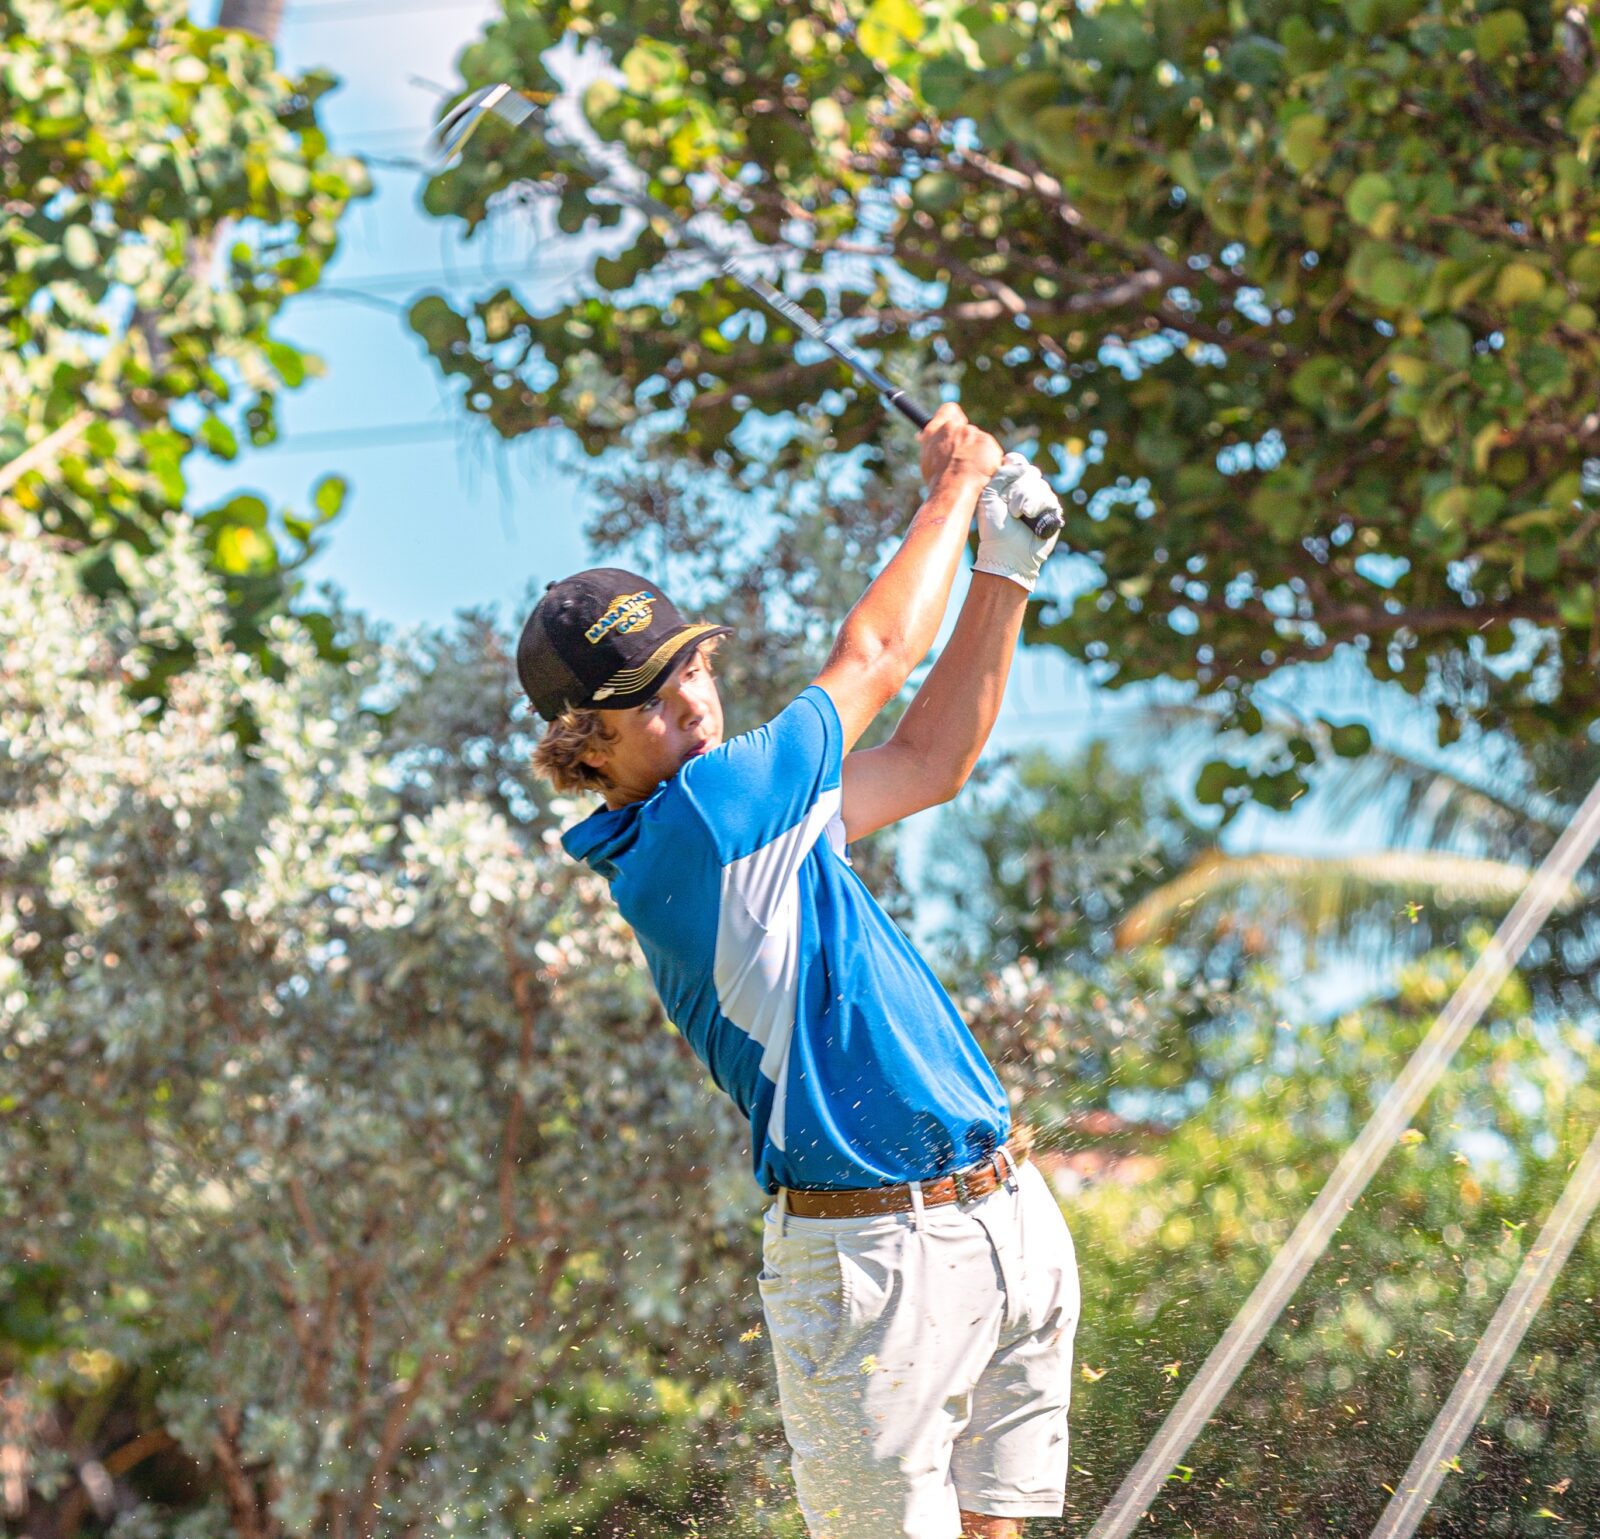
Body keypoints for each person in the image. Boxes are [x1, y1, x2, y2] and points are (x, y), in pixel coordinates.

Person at [517, 404, 1079, 1539]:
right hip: (874, 1263)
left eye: (691, 666)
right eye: (648, 698)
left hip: (1003, 1213)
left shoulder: (753, 821)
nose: (691, 700)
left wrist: (1006, 569)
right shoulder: (709, 823)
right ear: (585, 746)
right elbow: (873, 657)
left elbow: (930, 759)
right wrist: (954, 488)